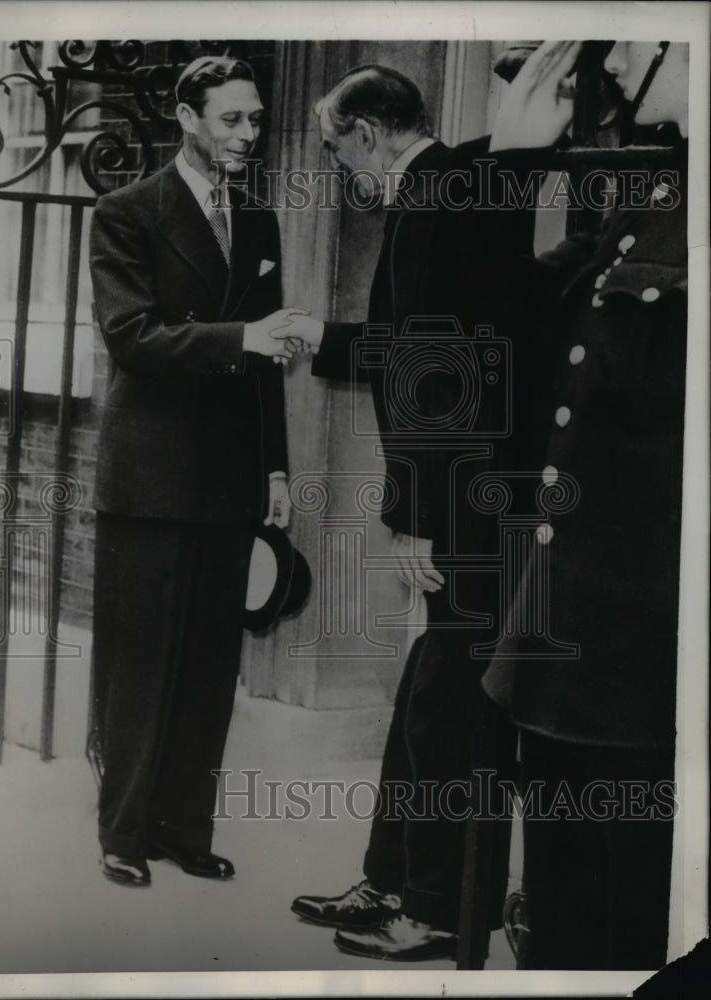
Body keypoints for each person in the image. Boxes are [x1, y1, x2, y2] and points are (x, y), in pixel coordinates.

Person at [283, 64, 532, 961]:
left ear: (366, 132)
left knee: (447, 702)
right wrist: (324, 336)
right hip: (472, 482)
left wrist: (419, 512)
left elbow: (440, 366)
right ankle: (393, 881)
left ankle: (437, 910)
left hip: (464, 492)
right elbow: (412, 342)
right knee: (429, 690)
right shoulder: (444, 189)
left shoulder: (436, 197)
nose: (342, 170)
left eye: (336, 147)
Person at [479, 40, 689, 969]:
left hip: (654, 645)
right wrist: (518, 170)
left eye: (652, 38)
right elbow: (508, 328)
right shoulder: (652, 193)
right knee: (561, 903)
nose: (629, 55)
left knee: (635, 913)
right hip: (576, 627)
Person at [89, 55, 304, 887]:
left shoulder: (259, 220)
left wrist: (276, 471)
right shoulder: (124, 212)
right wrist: (239, 337)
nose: (248, 135)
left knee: (213, 660)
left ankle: (183, 827)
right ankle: (123, 831)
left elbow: (274, 356)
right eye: (231, 119)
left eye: (254, 120)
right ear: (187, 116)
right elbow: (130, 337)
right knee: (142, 656)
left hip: (228, 477)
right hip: (148, 476)